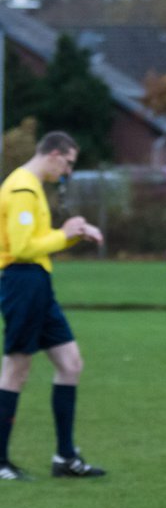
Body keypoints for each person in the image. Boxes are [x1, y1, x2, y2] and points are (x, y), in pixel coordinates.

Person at [0, 131, 106, 481]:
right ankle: (0, 461)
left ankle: (65, 458)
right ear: (55, 154)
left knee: (71, 363)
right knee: (17, 367)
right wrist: (65, 233)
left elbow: (39, 246)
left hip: (38, 282)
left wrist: (73, 234)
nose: (69, 171)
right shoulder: (22, 188)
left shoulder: (32, 187)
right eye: (69, 163)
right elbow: (23, 246)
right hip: (21, 282)